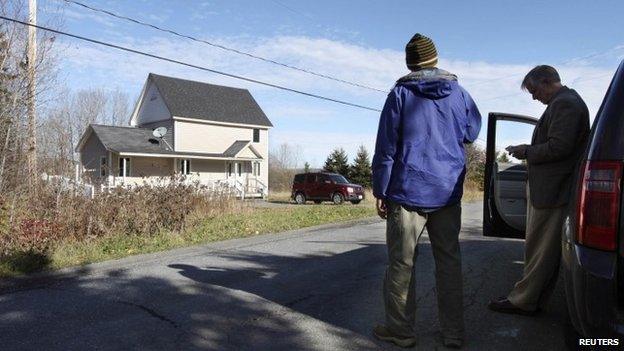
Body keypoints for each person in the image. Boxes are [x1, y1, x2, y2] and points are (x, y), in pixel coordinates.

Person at [371, 33, 482, 349]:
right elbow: (472, 130)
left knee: (402, 264)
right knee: (449, 261)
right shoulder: (459, 93)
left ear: (410, 63)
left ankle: (402, 331)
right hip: (447, 191)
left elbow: (386, 147)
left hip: (407, 192)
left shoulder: (399, 95)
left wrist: (381, 188)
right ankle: (453, 333)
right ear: (435, 59)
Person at [488, 65, 590, 315]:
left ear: (547, 81)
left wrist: (527, 152)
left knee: (540, 252)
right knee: (540, 250)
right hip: (551, 190)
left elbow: (559, 147)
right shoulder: (564, 102)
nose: (534, 97)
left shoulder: (566, 104)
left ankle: (524, 301)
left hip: (553, 192)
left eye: (534, 90)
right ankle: (529, 298)